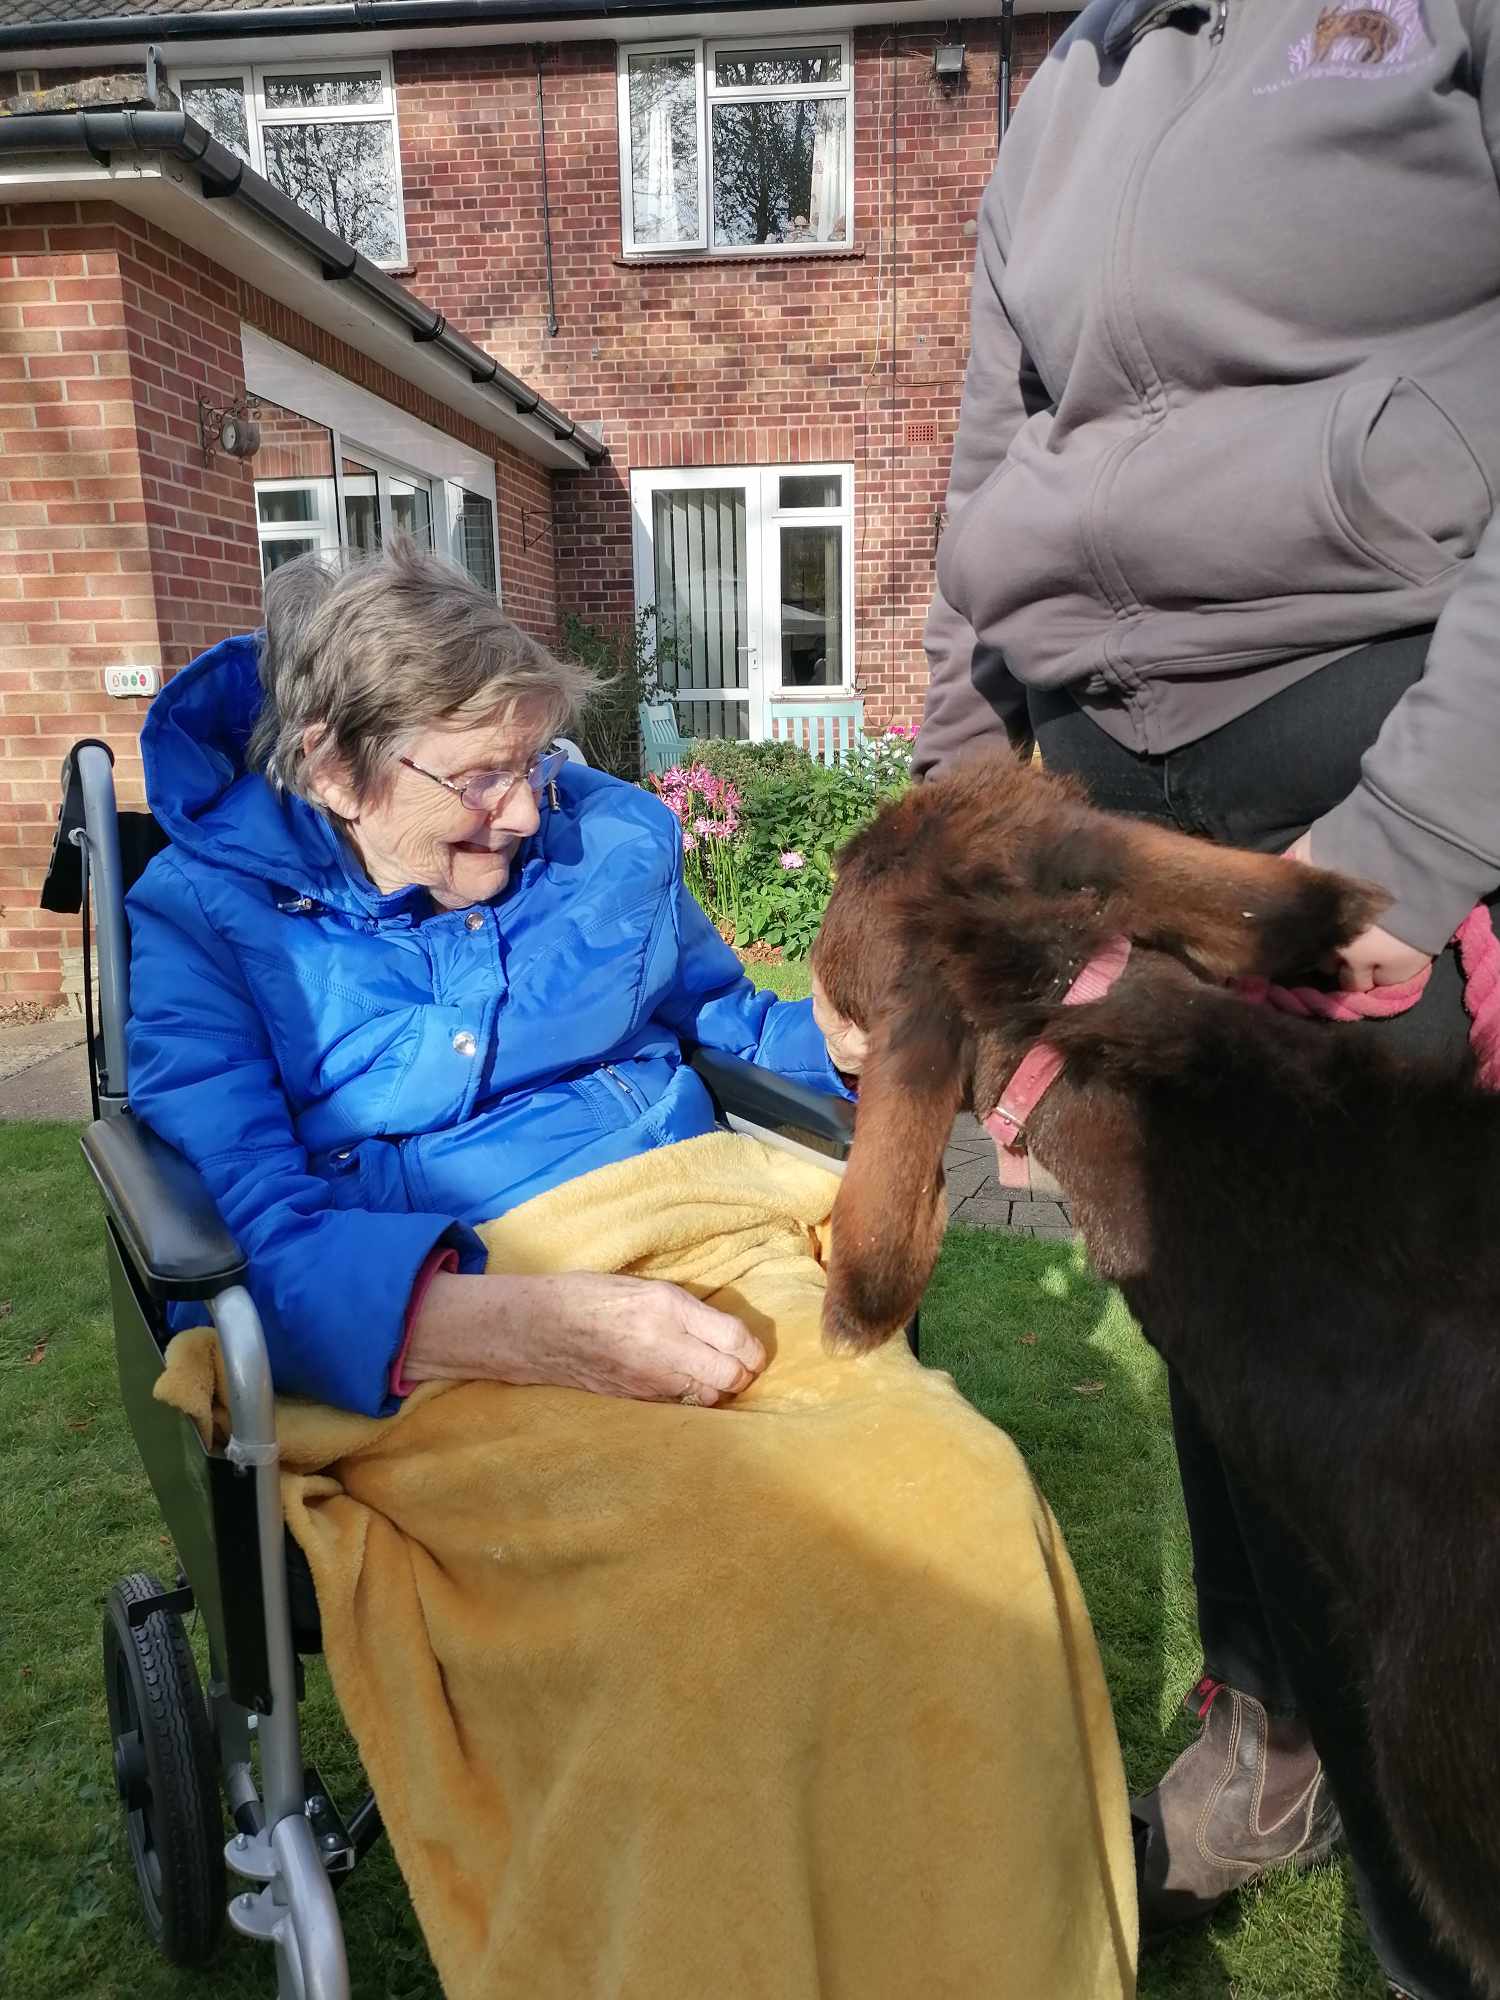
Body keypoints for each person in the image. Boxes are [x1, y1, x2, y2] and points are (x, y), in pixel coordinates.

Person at [124, 541, 1136, 1997]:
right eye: (480, 776)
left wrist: (862, 1049)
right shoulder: (207, 927)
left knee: (966, 1513)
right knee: (697, 1625)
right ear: (333, 765)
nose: (530, 809)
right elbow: (249, 1235)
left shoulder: (607, 836)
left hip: (701, 1231)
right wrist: (540, 1328)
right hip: (433, 1326)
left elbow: (724, 1022)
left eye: (539, 759)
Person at [913, 2, 1500, 1996]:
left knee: (1429, 1417)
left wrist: (1415, 841)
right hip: (1102, 795)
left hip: (1368, 751)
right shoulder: (1065, 82)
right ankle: (1274, 1741)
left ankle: (1436, 1920)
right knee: (1219, 1341)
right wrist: (956, 827)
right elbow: (985, 482)